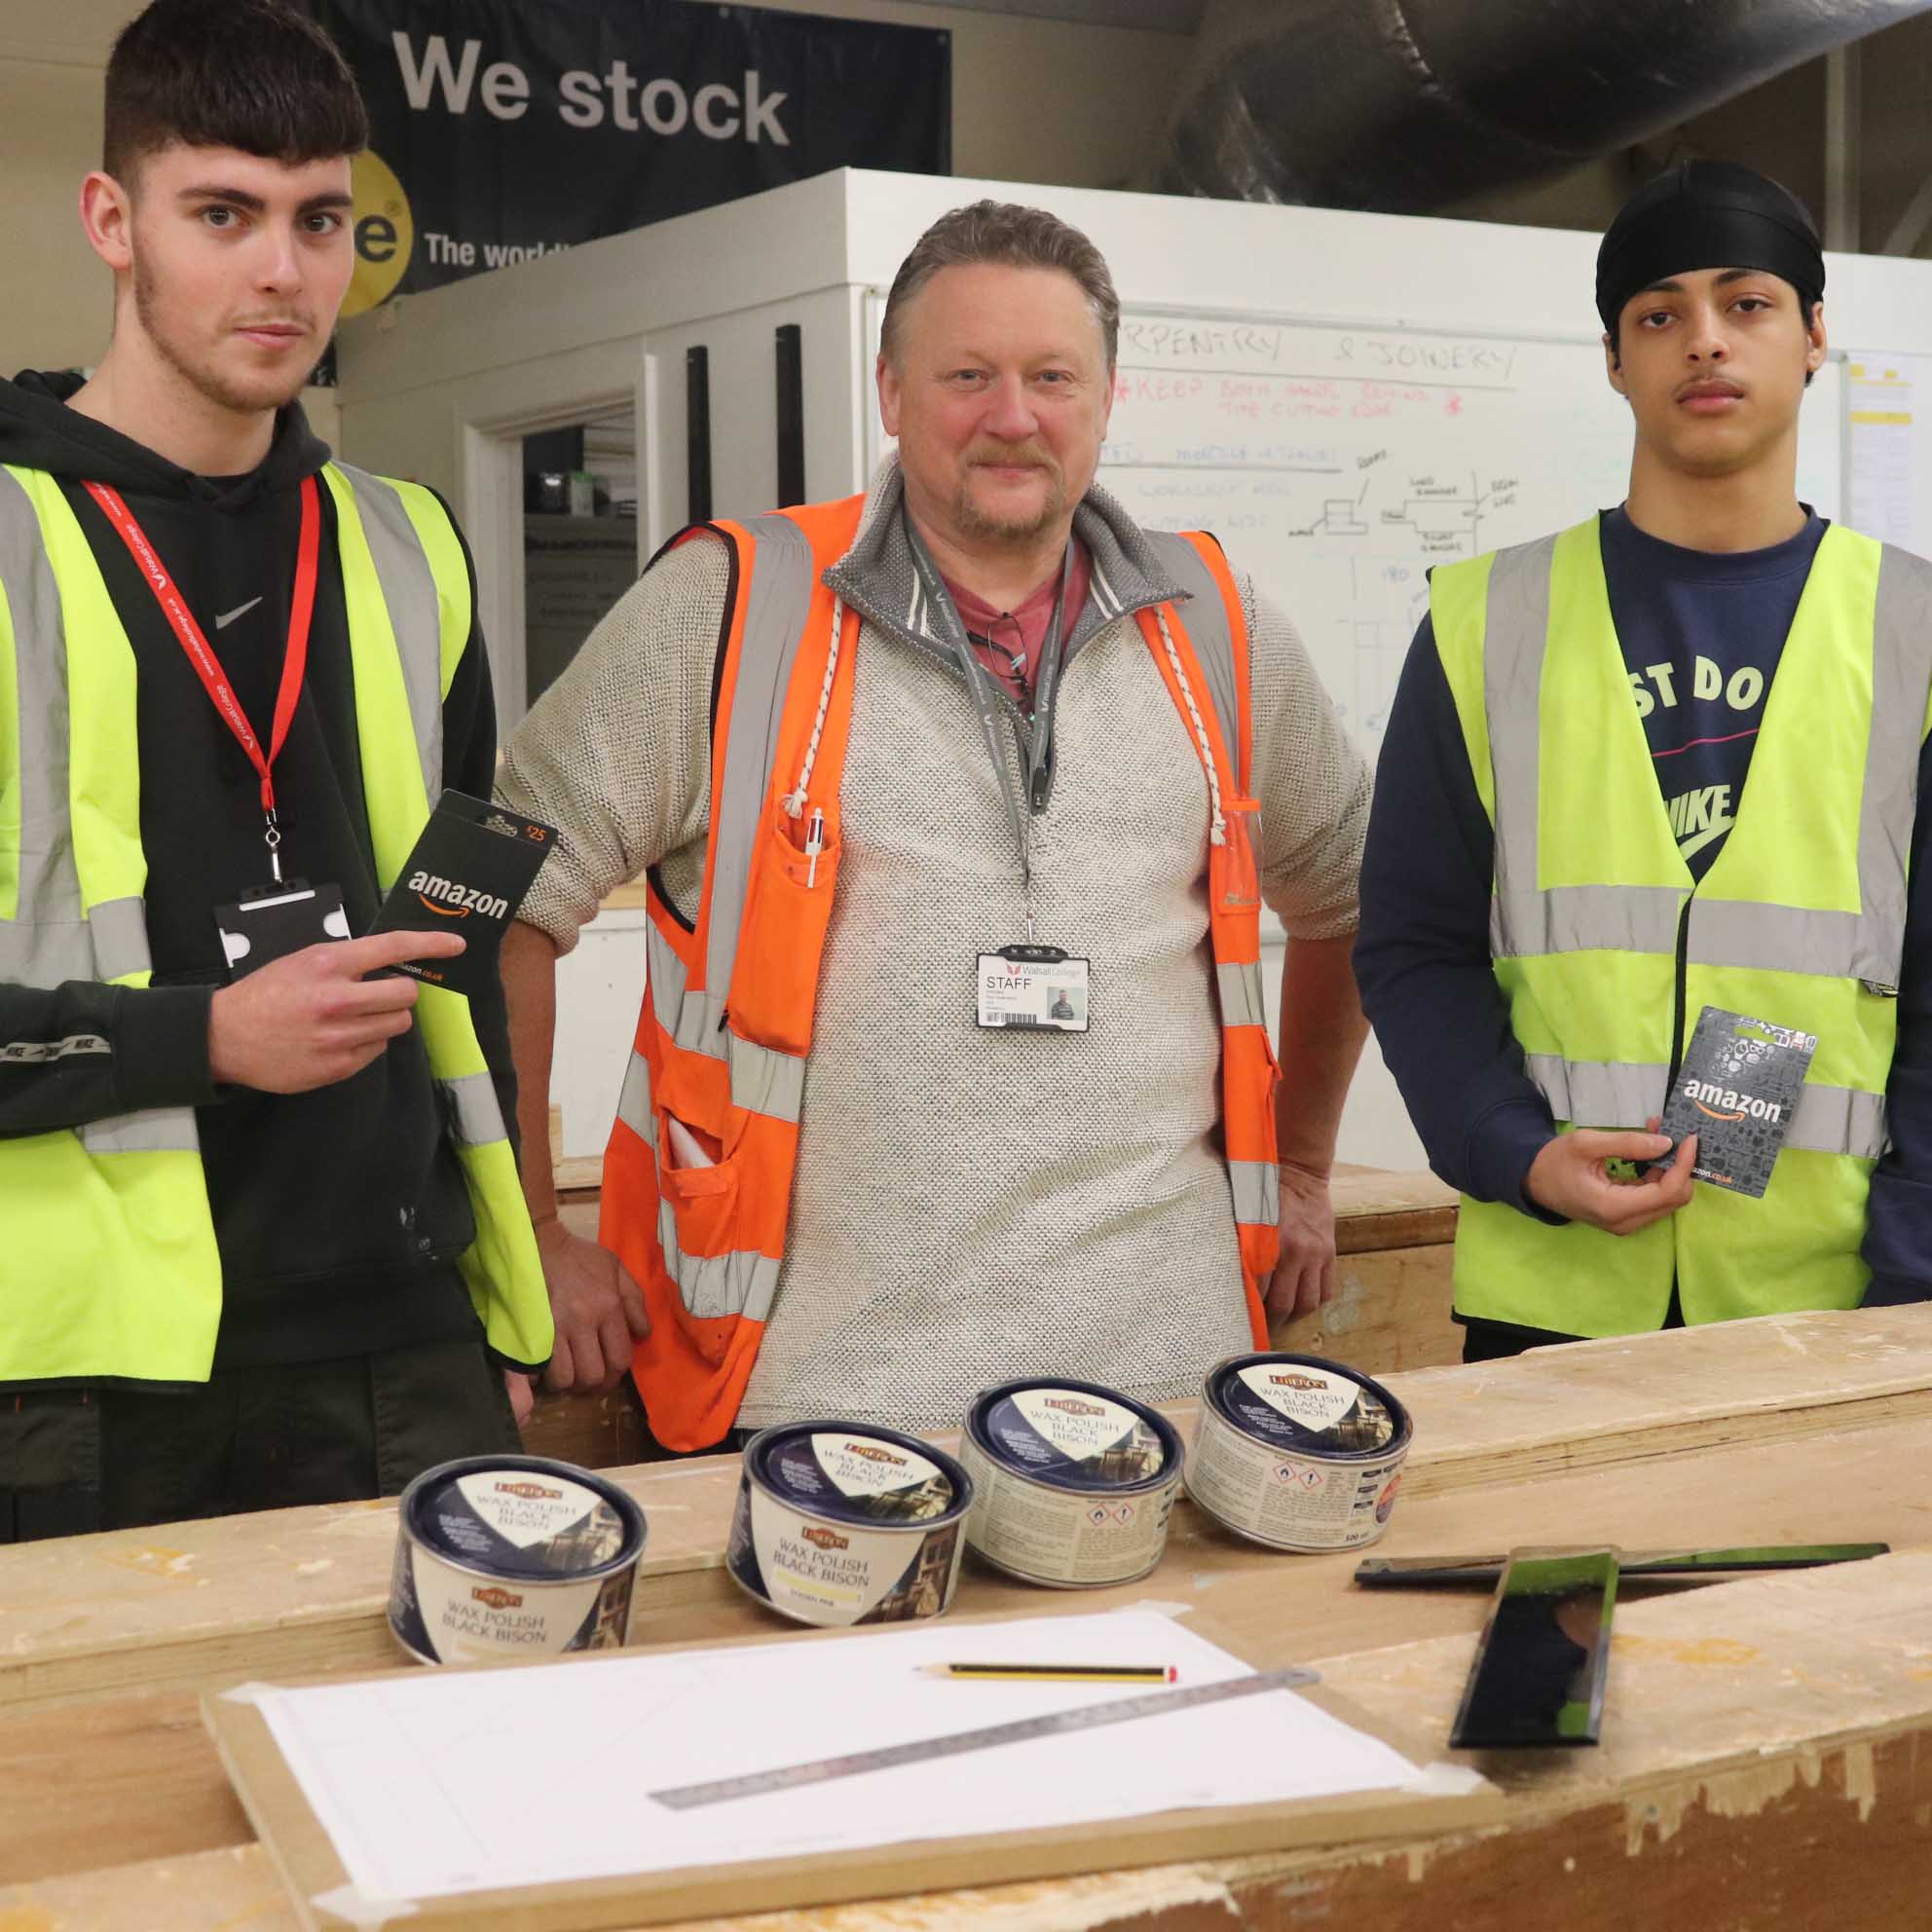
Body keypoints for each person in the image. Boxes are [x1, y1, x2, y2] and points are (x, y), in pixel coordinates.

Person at [498, 201, 1372, 1452]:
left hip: (1170, 1385)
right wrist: (529, 1227)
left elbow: (1349, 893)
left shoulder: (1217, 627)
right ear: (892, 393)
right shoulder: (731, 608)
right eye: (967, 375)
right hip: (817, 1403)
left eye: (1051, 377)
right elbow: (489, 901)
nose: (1011, 416)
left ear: (1108, 397)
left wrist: (1301, 1170)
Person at [0, 0, 551, 1541]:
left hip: (404, 1341)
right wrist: (203, 1041)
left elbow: (468, 918)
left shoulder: (409, 540)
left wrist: (499, 1302)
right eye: (224, 214)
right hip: (78, 1383)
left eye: (321, 221)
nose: (282, 270)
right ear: (114, 220)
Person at [1355, 160, 1932, 1362]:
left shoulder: (1916, 632)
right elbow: (1415, 946)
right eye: (1658, 314)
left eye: (1747, 304)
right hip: (1550, 1298)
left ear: (1815, 334)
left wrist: (1910, 1290)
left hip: (1828, 1299)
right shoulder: (1486, 622)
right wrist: (1512, 1149)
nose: (1704, 343)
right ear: (1616, 361)